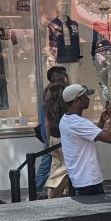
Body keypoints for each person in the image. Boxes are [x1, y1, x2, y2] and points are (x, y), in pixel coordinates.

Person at [59, 84, 111, 196]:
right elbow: (110, 138)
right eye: (85, 96)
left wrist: (101, 122)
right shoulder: (79, 123)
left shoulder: (65, 119)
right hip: (88, 180)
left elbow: (86, 141)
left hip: (79, 179)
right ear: (77, 100)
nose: (88, 99)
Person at [33, 66, 67, 192]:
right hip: (55, 135)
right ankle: (37, 190)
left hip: (52, 135)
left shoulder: (49, 92)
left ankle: (42, 190)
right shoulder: (55, 94)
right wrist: (47, 139)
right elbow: (46, 121)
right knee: (49, 163)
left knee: (52, 164)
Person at [42, 68, 72, 198]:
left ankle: (52, 195)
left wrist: (48, 139)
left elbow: (47, 120)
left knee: (55, 166)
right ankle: (66, 193)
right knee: (67, 167)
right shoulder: (65, 95)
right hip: (64, 137)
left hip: (53, 137)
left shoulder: (48, 94)